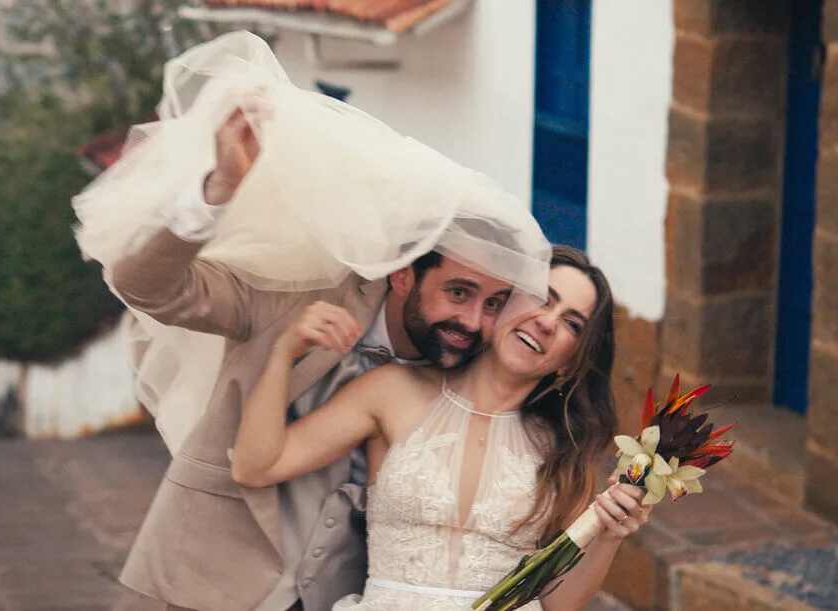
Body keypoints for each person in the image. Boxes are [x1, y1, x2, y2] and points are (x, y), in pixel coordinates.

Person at [73, 32, 550, 610]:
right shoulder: (295, 294)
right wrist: (217, 190)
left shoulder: (473, 367)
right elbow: (145, 286)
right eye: (459, 292)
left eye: (495, 302)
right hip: (206, 577)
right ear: (403, 273)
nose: (473, 320)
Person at [232, 246, 649, 610]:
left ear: (572, 359)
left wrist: (608, 537)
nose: (547, 321)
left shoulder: (564, 449)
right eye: (542, 299)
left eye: (572, 323)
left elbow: (557, 603)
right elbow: (256, 467)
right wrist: (283, 354)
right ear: (504, 302)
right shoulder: (392, 391)